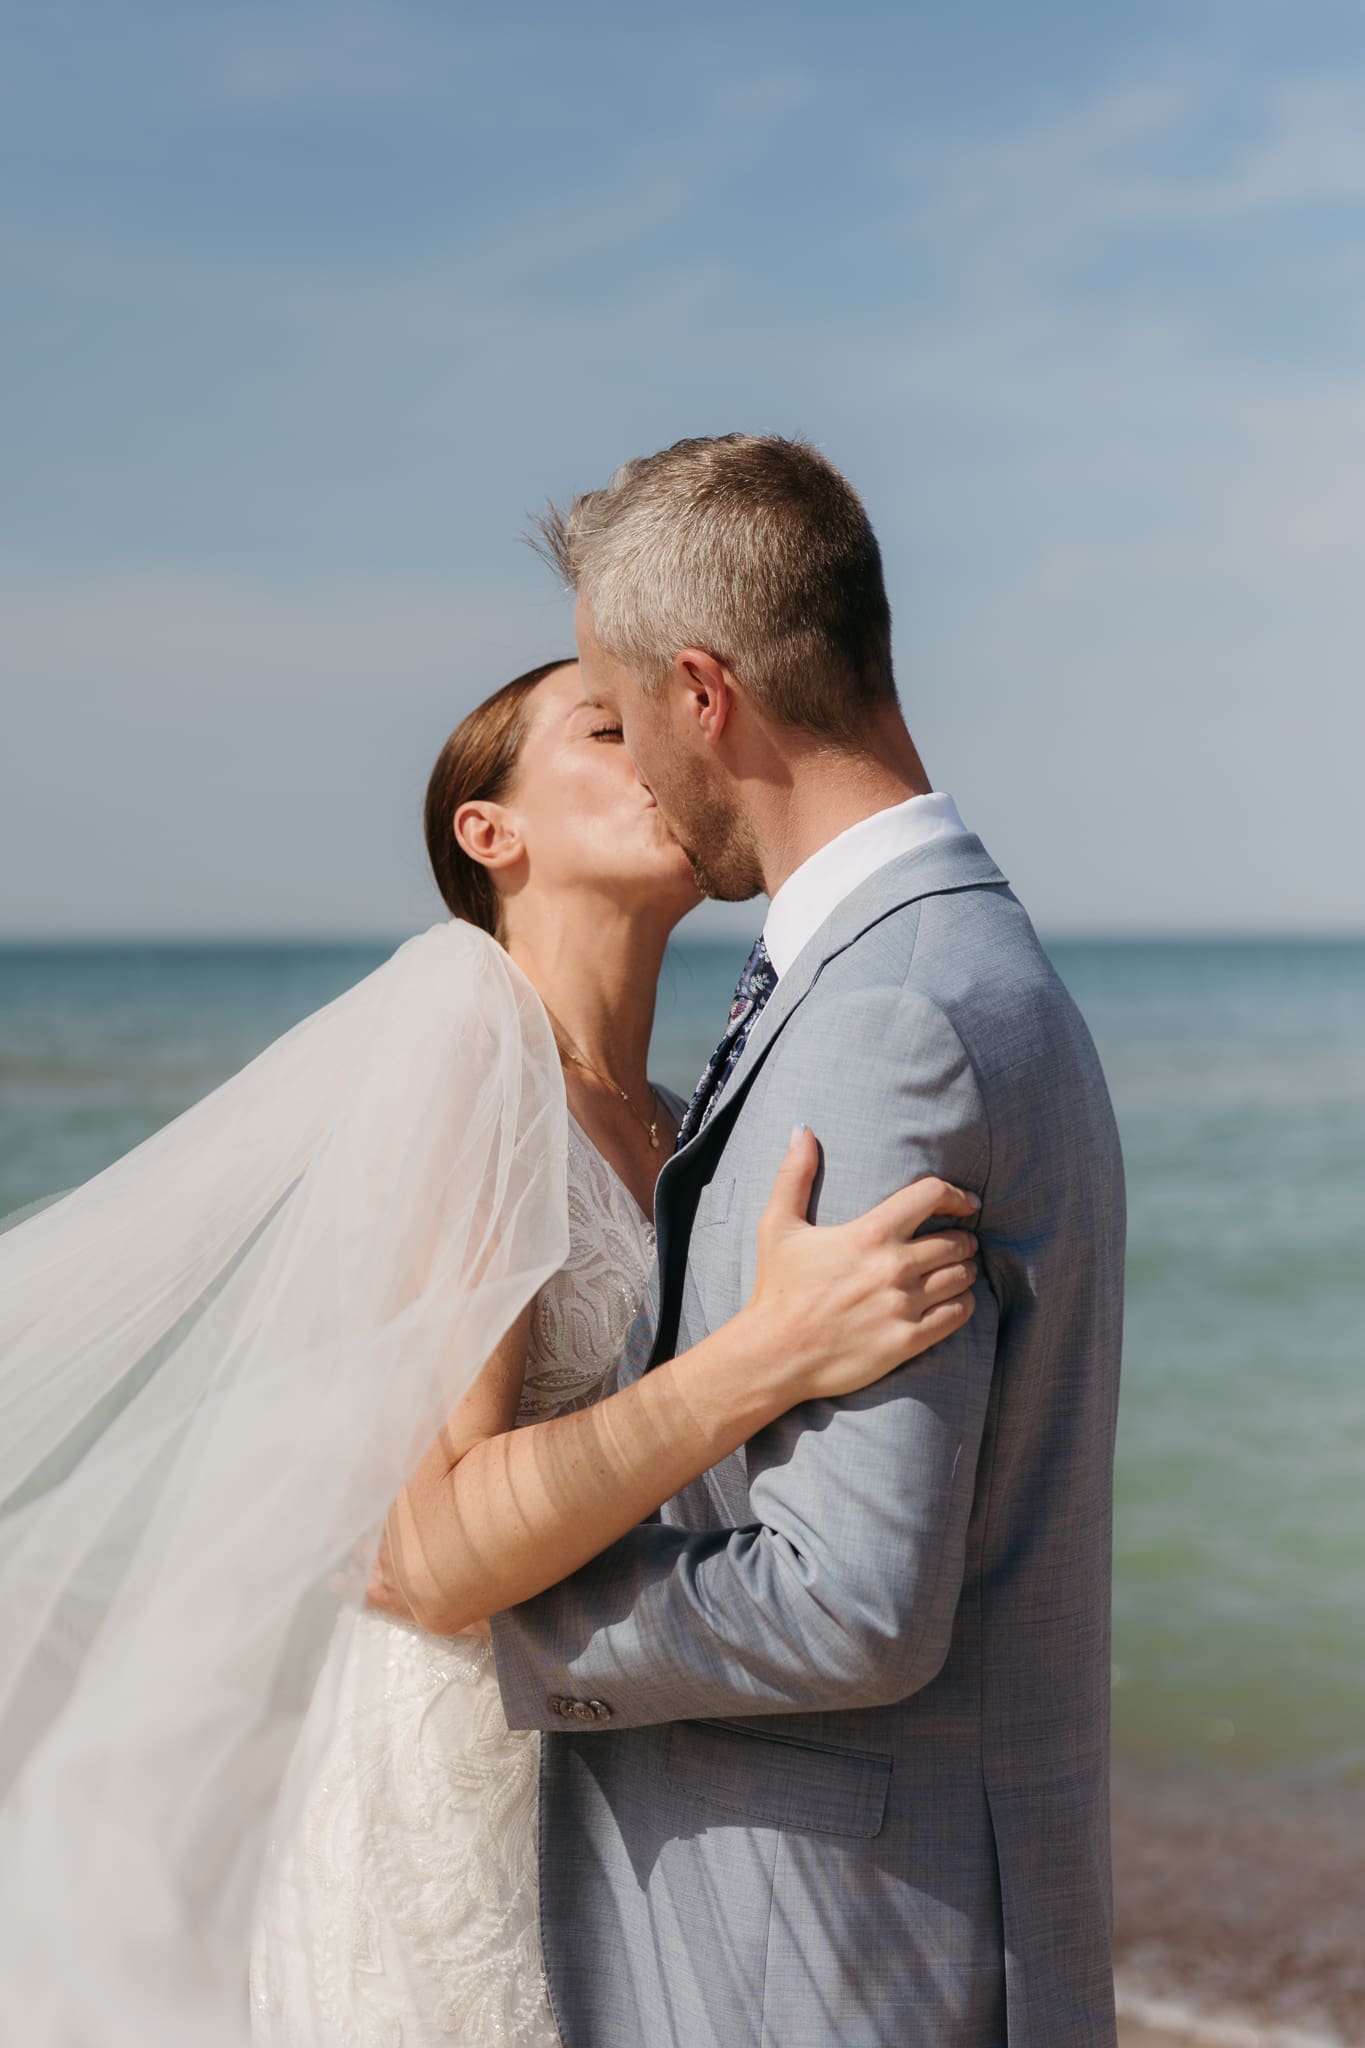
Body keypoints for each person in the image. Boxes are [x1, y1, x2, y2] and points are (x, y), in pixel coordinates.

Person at [0, 654, 979, 2048]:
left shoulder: (672, 1114)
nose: (659, 745)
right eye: (604, 726)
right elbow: (431, 1557)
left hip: (627, 1762)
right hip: (466, 1782)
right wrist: (768, 1351)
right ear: (489, 833)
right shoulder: (467, 1054)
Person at [476, 435, 1128, 2048]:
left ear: (705, 696)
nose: (634, 769)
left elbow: (846, 1603)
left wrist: (490, 1630)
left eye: (625, 717)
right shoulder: (935, 960)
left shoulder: (888, 1017)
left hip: (838, 1961)